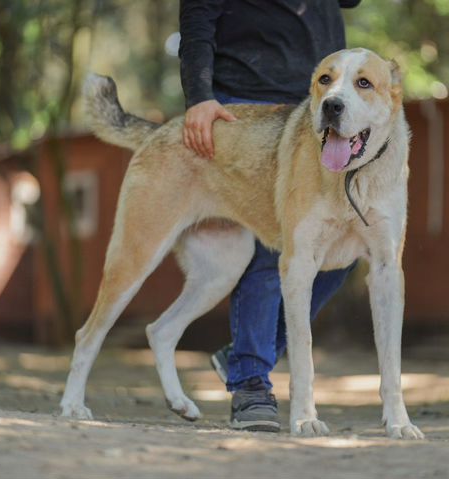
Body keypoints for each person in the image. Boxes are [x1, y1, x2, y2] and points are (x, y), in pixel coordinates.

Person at [179, 0, 360, 432]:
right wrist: (199, 97)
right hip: (246, 106)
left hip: (318, 103)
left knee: (343, 252)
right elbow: (197, 19)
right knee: (269, 247)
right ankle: (251, 386)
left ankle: (245, 356)